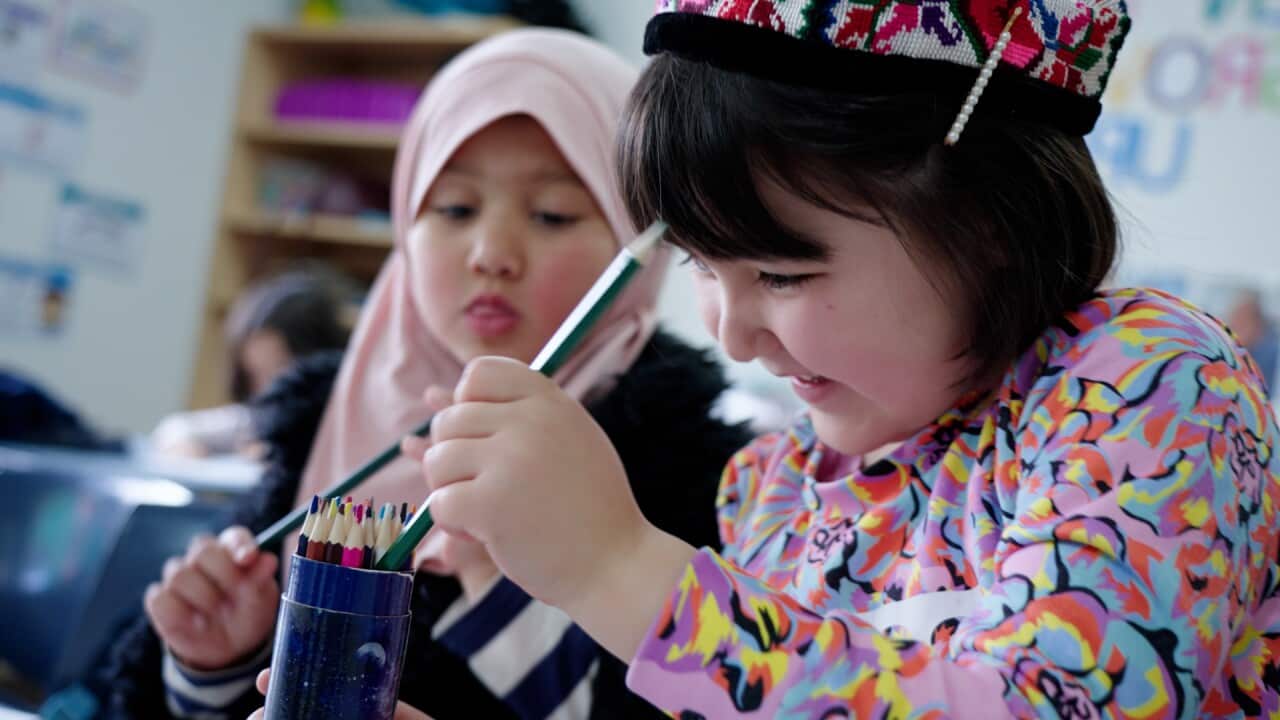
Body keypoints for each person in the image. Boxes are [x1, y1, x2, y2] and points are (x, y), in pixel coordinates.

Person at [411, 3, 1280, 718]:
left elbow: (1046, 703)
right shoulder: (773, 484)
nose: (731, 333)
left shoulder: (1149, 382)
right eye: (702, 268)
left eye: (781, 273)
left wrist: (614, 567)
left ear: (986, 221)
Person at [100, 28, 749, 720]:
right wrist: (215, 665)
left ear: (637, 242)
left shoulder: (702, 472)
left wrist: (498, 582)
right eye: (455, 209)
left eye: (553, 214)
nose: (492, 254)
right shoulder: (318, 420)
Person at [150, 269, 351, 458]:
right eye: (255, 375)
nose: (267, 389)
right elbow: (176, 428)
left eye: (280, 373)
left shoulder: (341, 430)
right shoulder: (254, 422)